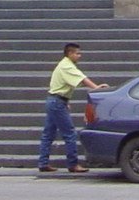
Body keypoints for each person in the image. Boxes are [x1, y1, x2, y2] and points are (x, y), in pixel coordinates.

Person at [39, 42, 107, 173]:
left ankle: (43, 162)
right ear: (70, 53)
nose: (79, 56)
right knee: (70, 133)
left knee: (48, 133)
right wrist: (96, 88)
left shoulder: (63, 65)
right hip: (57, 102)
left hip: (54, 100)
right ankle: (73, 164)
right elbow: (82, 79)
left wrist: (64, 101)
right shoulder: (67, 66)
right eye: (77, 53)